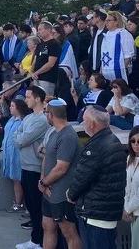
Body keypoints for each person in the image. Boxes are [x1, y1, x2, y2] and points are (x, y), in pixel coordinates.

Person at [66, 105, 127, 249]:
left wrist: (71, 195)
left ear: (92, 124)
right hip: (105, 212)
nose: (83, 124)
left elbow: (82, 178)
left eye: (84, 120)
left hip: (96, 215)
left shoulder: (97, 146)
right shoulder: (113, 140)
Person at [40, 98, 81, 249]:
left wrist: (44, 183)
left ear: (50, 115)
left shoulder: (68, 136)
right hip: (48, 191)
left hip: (62, 194)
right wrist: (42, 182)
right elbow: (47, 158)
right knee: (47, 226)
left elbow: (61, 168)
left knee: (69, 232)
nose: (45, 115)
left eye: (46, 112)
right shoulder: (53, 133)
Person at [15, 86, 49, 249]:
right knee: (30, 205)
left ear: (37, 99)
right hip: (25, 166)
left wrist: (20, 137)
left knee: (36, 206)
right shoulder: (28, 118)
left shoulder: (42, 120)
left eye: (28, 97)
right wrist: (20, 137)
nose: (25, 100)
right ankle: (35, 239)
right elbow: (17, 135)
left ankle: (39, 241)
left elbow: (22, 140)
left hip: (36, 168)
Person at [2, 97, 31, 212]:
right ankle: (19, 202)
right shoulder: (11, 120)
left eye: (12, 106)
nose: (10, 108)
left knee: (19, 179)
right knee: (14, 179)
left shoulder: (24, 121)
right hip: (9, 152)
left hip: (18, 153)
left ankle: (20, 203)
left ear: (18, 108)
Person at [101, 11, 134, 83]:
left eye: (109, 20)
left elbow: (128, 56)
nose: (106, 22)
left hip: (121, 73)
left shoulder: (123, 34)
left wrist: (121, 70)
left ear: (117, 22)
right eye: (105, 20)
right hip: (107, 73)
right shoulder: (106, 35)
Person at [31, 21, 62, 96]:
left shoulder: (54, 44)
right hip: (36, 78)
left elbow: (50, 64)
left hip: (47, 79)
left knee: (45, 101)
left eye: (40, 29)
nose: (38, 32)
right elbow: (35, 61)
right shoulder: (40, 45)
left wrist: (37, 72)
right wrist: (32, 71)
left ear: (48, 30)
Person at [124, 126, 139, 249]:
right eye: (133, 141)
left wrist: (127, 210)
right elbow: (127, 187)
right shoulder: (129, 159)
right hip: (132, 212)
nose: (136, 144)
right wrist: (127, 208)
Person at [89, 9, 108, 73]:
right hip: (94, 66)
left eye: (93, 17)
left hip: (103, 67)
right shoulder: (95, 31)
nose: (92, 19)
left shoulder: (107, 32)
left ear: (99, 18)